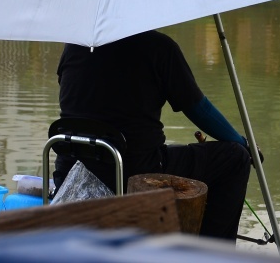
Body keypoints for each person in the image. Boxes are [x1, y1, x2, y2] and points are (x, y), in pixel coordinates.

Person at [54, 30, 254, 241]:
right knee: (235, 158)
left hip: (69, 171)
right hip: (135, 173)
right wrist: (242, 142)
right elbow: (198, 109)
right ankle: (210, 254)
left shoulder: (75, 46)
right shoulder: (160, 47)